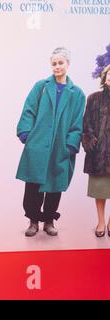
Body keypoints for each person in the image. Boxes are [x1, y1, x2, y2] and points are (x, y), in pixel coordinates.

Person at [16, 47, 86, 237]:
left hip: (60, 147)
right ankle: (32, 221)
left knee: (55, 185)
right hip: (38, 144)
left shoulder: (77, 94)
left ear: (68, 64)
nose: (57, 67)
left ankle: (49, 221)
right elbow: (29, 110)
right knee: (33, 185)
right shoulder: (41, 86)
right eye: (54, 63)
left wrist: (71, 144)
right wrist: (25, 134)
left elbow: (77, 121)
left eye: (60, 63)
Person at [82, 64, 110, 237]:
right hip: (99, 153)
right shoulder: (93, 98)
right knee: (100, 189)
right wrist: (91, 141)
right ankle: (100, 221)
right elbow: (87, 124)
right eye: (108, 74)